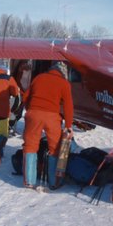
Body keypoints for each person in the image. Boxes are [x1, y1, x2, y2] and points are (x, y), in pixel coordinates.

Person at [22, 61, 74, 189]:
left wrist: (31, 110)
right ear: (63, 73)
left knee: (30, 146)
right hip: (52, 117)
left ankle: (29, 180)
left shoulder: (38, 78)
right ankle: (54, 181)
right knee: (55, 149)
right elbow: (68, 106)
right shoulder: (64, 83)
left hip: (34, 114)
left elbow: (25, 97)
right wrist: (68, 125)